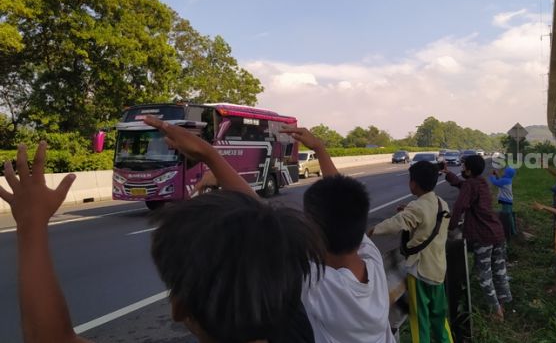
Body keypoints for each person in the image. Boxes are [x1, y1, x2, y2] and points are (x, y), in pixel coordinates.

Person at [2, 117, 326, 343]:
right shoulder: (293, 326)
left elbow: (52, 338)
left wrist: (31, 225)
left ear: (178, 308)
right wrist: (211, 155)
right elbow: (263, 230)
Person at [281, 126, 395, 343]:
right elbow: (342, 201)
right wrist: (319, 148)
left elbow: (259, 221)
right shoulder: (373, 262)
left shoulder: (318, 285)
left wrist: (210, 155)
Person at [369, 161, 453, 343]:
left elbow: (397, 223)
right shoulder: (442, 203)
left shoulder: (417, 207)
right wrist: (408, 210)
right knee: (439, 318)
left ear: (414, 183)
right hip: (438, 271)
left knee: (419, 319)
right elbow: (425, 218)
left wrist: (372, 231)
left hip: (420, 272)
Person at [444, 155, 512, 321]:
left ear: (469, 170)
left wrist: (450, 227)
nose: (461, 169)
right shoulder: (481, 182)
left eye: (463, 167)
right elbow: (463, 185)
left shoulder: (470, 185)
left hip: (483, 236)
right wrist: (448, 174)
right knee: (499, 270)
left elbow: (460, 206)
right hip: (497, 232)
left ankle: (496, 312)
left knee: (484, 275)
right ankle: (503, 304)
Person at [489, 166, 517, 240]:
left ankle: (510, 232)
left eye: (505, 171)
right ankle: (513, 230)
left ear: (507, 173)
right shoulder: (507, 179)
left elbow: (495, 182)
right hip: (508, 200)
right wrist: (497, 175)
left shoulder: (505, 181)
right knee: (509, 215)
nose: (503, 172)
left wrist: (492, 175)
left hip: (506, 201)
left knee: (507, 216)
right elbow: (500, 180)